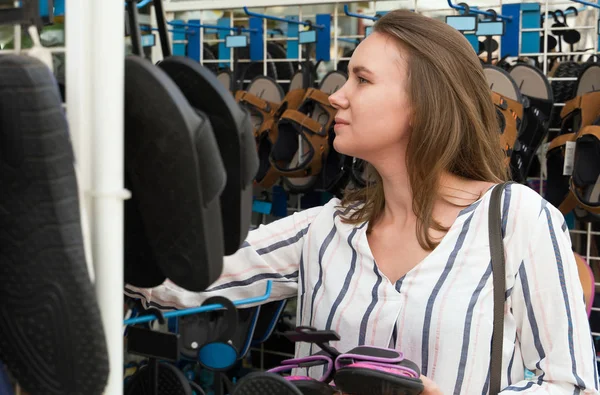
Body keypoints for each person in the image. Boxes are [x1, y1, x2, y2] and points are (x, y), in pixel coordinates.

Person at [125, 9, 599, 395]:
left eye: (361, 80)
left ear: (424, 103)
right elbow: (184, 276)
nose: (335, 97)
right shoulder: (327, 227)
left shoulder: (517, 219)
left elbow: (571, 384)